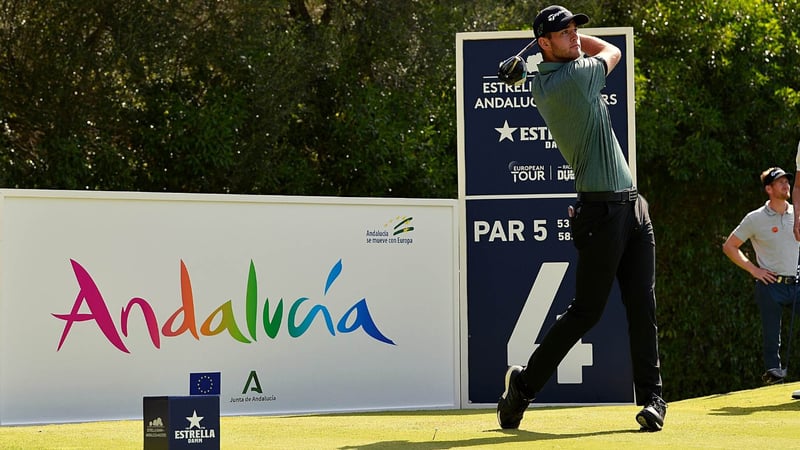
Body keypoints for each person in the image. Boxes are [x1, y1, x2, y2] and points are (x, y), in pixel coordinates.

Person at [495, 5, 666, 432]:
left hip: (632, 205)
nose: (573, 36)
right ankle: (523, 386)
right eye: (563, 32)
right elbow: (611, 50)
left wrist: (541, 51)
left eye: (574, 29)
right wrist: (552, 50)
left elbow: (563, 53)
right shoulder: (571, 79)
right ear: (543, 42)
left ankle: (652, 399)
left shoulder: (546, 75)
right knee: (586, 312)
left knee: (641, 306)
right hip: (601, 212)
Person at [723, 167, 800, 384]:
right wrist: (754, 270)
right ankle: (774, 380)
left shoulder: (798, 213)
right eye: (780, 182)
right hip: (770, 286)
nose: (786, 185)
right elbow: (730, 246)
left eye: (787, 182)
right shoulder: (755, 218)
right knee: (771, 339)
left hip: (797, 283)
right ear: (769, 189)